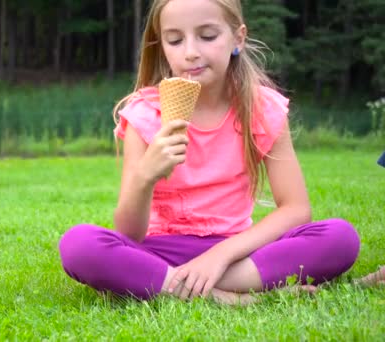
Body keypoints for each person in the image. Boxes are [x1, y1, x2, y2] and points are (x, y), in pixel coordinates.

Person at [58, 0, 364, 305]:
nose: (190, 51)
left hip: (235, 250)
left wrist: (218, 257)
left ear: (238, 38)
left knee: (340, 238)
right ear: (162, 45)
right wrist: (144, 177)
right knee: (79, 245)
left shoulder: (262, 109)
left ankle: (167, 284)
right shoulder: (145, 114)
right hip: (160, 248)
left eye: (207, 36)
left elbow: (296, 210)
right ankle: (235, 298)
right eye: (175, 40)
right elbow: (129, 234)